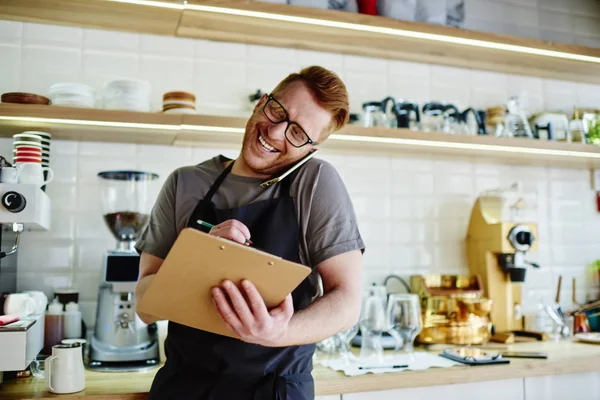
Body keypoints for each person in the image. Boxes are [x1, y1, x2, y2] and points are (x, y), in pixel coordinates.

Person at [134, 65, 365, 400]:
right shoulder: (185, 183)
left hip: (274, 390)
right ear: (261, 102)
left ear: (309, 150)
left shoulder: (314, 182)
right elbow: (144, 306)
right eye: (278, 111)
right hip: (184, 387)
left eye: (297, 133)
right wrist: (197, 259)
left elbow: (347, 302)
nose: (275, 132)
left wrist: (278, 332)